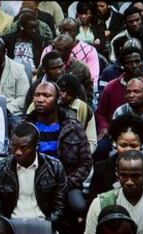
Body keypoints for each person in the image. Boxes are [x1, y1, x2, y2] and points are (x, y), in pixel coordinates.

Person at [25, 82, 92, 232]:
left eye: (47, 95)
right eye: (37, 95)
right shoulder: (25, 126)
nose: (40, 99)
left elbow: (86, 163)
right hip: (32, 181)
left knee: (79, 206)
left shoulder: (73, 127)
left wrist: (65, 184)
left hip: (66, 182)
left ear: (57, 100)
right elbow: (15, 159)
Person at [0, 122, 67, 231]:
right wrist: (7, 227)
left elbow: (60, 206)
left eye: (24, 148)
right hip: (11, 224)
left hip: (44, 223)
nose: (17, 152)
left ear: (37, 146)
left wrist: (48, 225)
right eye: (14, 146)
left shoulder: (55, 167)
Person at [85, 150, 143, 234]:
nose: (129, 182)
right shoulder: (99, 204)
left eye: (136, 176)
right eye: (124, 176)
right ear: (118, 175)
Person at [95, 47, 143, 161]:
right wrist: (105, 128)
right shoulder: (111, 87)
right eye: (129, 63)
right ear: (123, 65)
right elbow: (101, 113)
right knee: (100, 149)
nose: (134, 65)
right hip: (116, 133)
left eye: (137, 61)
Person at [88, 114, 143, 203]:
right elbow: (93, 201)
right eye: (123, 145)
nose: (128, 150)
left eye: (134, 146)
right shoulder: (101, 168)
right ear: (115, 144)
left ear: (142, 146)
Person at [41, 18, 100, 85]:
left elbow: (93, 78)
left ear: (77, 32)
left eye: (70, 30)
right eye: (63, 30)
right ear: (59, 30)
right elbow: (42, 73)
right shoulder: (48, 50)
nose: (66, 33)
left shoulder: (89, 50)